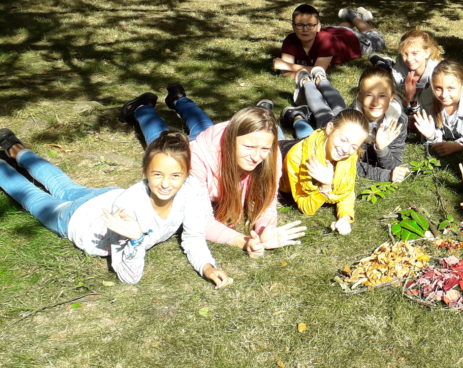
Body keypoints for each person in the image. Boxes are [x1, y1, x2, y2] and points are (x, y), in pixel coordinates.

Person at [0, 129, 232, 287]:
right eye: (157, 174)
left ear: (187, 173)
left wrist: (207, 267)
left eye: (175, 175)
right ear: (145, 172)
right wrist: (135, 240)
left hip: (103, 196)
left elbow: (193, 236)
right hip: (78, 221)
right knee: (32, 196)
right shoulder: (129, 208)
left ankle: (14, 147)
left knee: (62, 184)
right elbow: (129, 276)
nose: (165, 184)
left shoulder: (192, 189)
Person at [120, 85, 307, 256]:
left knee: (203, 124)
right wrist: (243, 241)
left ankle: (179, 100)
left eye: (264, 149)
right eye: (249, 147)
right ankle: (142, 108)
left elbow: (267, 199)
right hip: (201, 150)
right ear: (230, 140)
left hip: (214, 142)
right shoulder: (198, 160)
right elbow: (199, 218)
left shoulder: (270, 152)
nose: (257, 157)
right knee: (161, 142)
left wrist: (266, 228)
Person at [283, 110, 376, 235]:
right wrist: (325, 186)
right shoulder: (296, 158)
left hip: (315, 144)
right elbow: (306, 207)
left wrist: (345, 217)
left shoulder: (350, 155)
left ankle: (296, 116)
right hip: (281, 155)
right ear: (330, 128)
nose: (346, 149)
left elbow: (347, 192)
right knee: (273, 136)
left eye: (354, 146)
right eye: (343, 140)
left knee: (304, 133)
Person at [272, 4, 384, 79]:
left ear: (318, 26)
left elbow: (319, 71)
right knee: (340, 30)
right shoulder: (290, 40)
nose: (305, 29)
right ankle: (352, 17)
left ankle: (354, 16)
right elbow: (285, 72)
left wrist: (288, 65)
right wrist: (287, 67)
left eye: (310, 25)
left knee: (378, 38)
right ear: (293, 26)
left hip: (353, 40)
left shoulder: (326, 41)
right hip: (334, 32)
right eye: (300, 25)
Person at [411, 60, 463, 157]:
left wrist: (461, 145)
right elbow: (433, 132)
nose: (444, 95)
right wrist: (432, 136)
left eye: (450, 88)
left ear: (462, 86)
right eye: (438, 88)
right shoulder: (427, 98)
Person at [347, 65, 411, 183]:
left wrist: (381, 148)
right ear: (359, 96)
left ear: (391, 97)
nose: (375, 102)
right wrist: (384, 175)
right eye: (369, 95)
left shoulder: (399, 120)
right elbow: (348, 163)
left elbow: (394, 164)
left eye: (382, 96)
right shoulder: (349, 121)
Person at [377, 29, 444, 116]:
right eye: (405, 54)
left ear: (427, 53)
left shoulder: (437, 75)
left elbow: (431, 111)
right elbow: (396, 105)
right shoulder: (400, 71)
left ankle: (385, 64)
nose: (409, 59)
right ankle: (385, 65)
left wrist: (411, 98)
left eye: (414, 53)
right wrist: (408, 97)